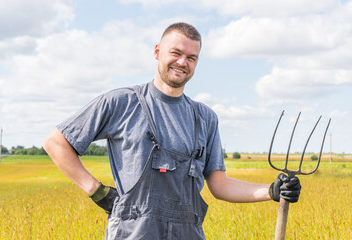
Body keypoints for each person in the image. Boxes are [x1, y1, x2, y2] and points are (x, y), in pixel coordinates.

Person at [43, 22, 301, 239]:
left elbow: (220, 185)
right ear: (157, 52)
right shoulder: (122, 102)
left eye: (191, 58)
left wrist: (271, 191)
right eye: (175, 53)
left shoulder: (205, 118)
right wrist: (97, 191)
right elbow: (56, 143)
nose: (182, 62)